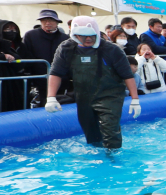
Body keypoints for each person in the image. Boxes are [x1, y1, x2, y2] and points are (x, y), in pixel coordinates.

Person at [44, 16, 140, 150]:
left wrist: (135, 99)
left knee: (110, 130)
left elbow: (127, 75)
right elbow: (56, 73)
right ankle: (98, 156)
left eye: (91, 35)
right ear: (75, 34)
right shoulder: (66, 48)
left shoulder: (112, 49)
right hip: (84, 95)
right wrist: (51, 97)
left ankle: (114, 159)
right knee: (91, 132)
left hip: (110, 95)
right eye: (83, 36)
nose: (88, 39)